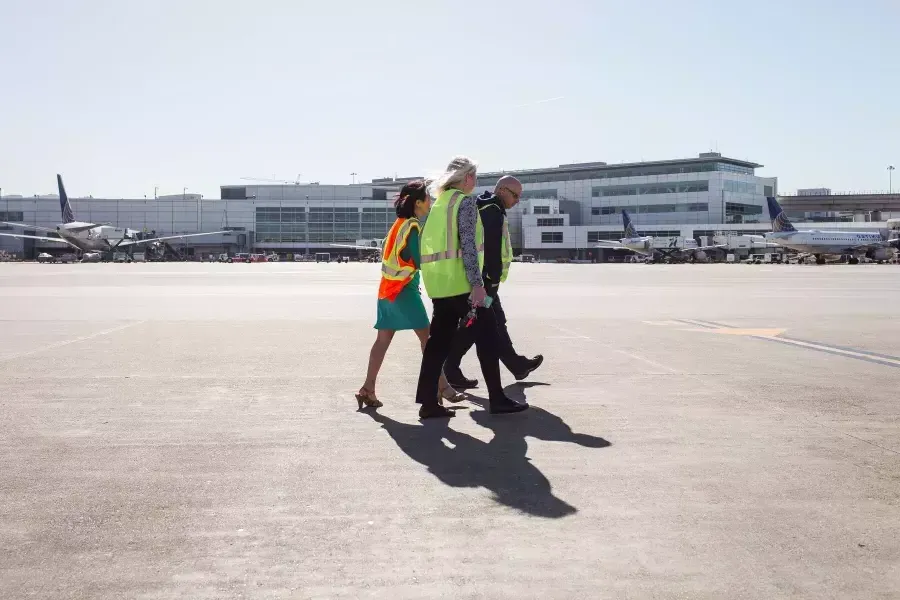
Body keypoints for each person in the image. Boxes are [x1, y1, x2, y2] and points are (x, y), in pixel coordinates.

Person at [414, 156, 528, 419]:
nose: (475, 183)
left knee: (437, 344)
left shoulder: (439, 203)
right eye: (474, 177)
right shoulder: (464, 203)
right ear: (466, 178)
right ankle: (497, 400)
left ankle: (428, 403)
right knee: (488, 337)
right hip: (462, 285)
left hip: (440, 285)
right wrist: (477, 285)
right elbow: (468, 245)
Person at [356, 180, 466, 409]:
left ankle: (367, 388)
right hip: (404, 290)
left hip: (387, 290)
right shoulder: (412, 227)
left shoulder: (398, 224)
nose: (430, 202)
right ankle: (442, 387)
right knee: (429, 340)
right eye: (427, 198)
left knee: (383, 341)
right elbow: (420, 260)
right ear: (418, 203)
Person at [443, 175, 543, 389]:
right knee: (479, 326)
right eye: (515, 195)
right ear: (503, 190)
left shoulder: (488, 206)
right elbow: (490, 250)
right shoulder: (492, 211)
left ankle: (516, 365)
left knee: (491, 322)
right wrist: (491, 282)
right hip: (484, 282)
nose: (517, 201)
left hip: (481, 281)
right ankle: (449, 368)